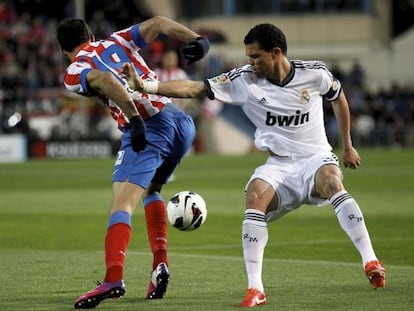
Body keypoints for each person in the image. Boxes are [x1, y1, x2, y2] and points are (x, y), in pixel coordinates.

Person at [121, 23, 386, 308]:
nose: (250, 63)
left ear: (276, 53)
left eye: (255, 56)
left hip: (315, 158)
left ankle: (370, 260)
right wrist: (145, 85)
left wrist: (347, 145)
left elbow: (339, 98)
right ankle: (255, 289)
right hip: (279, 165)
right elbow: (194, 88)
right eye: (248, 56)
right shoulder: (243, 80)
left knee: (333, 181)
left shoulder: (315, 74)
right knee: (255, 196)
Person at [56, 16, 209, 309]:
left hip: (149, 127)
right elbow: (159, 22)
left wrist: (135, 119)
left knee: (121, 205)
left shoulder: (75, 70)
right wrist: (196, 39)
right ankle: (160, 265)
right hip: (180, 122)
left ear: (63, 51)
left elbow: (105, 80)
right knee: (152, 190)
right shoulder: (117, 39)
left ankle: (113, 278)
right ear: (90, 34)